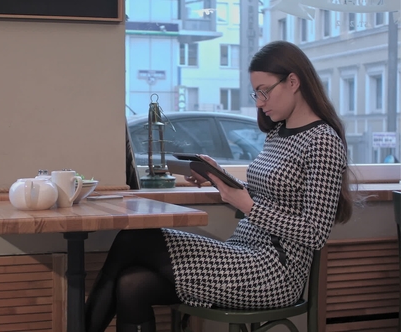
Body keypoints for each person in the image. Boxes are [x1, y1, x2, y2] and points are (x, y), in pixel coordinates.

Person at [84, 40, 355, 332]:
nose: (259, 102)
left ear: (293, 81)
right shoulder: (278, 132)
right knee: (132, 284)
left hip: (275, 271)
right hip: (243, 252)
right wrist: (219, 176)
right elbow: (268, 195)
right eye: (256, 93)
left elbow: (315, 233)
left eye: (264, 91)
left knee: (134, 239)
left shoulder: (323, 140)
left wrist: (246, 205)